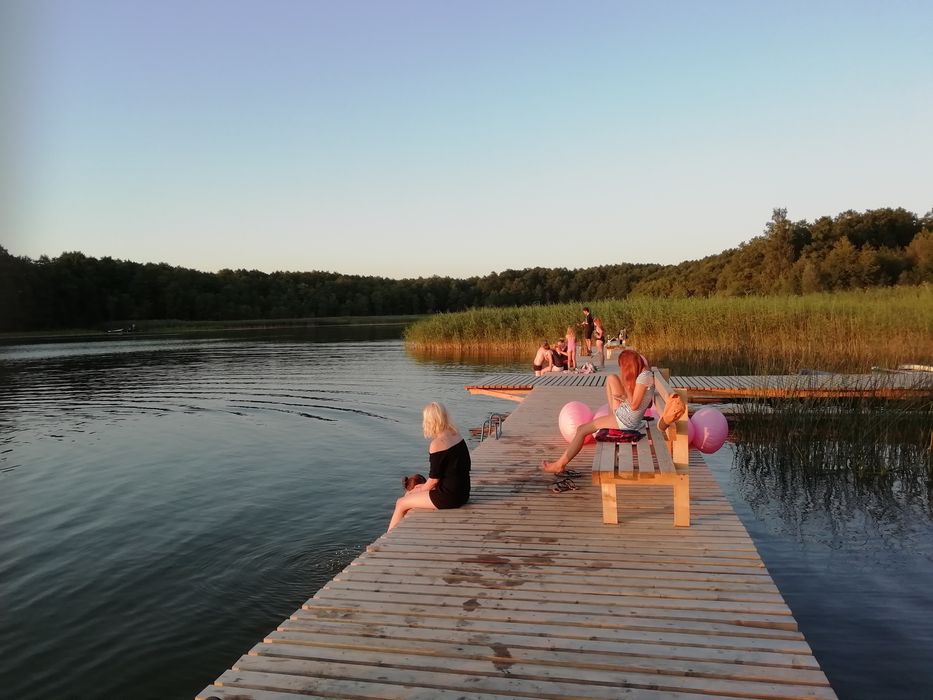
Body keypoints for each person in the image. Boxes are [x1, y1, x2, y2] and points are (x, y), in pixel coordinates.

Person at [540, 349, 685, 474]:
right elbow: (643, 405)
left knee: (581, 430)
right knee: (611, 378)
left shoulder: (643, 378)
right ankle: (610, 417)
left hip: (626, 420)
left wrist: (627, 391)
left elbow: (634, 406)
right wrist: (626, 397)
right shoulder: (645, 374)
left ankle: (560, 465)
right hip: (627, 415)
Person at [388, 402, 471, 532]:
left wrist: (418, 490)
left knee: (401, 502)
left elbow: (433, 480)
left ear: (430, 421)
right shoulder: (456, 435)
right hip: (463, 492)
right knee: (414, 493)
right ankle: (399, 532)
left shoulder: (437, 444)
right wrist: (422, 487)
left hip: (449, 497)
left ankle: (387, 540)